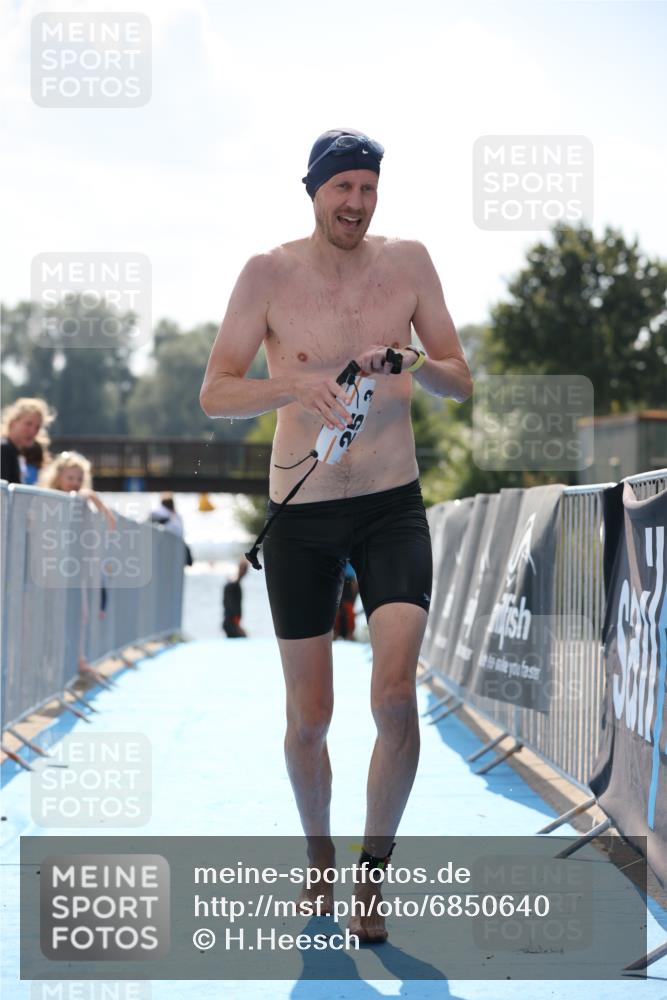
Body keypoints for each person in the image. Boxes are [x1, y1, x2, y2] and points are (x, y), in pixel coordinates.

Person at [200, 128, 472, 942]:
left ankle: (370, 877)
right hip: (302, 512)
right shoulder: (268, 275)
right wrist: (294, 384)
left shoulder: (410, 263)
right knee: (310, 717)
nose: (355, 203)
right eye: (340, 189)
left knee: (393, 697)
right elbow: (215, 393)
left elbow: (461, 381)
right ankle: (317, 854)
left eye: (367, 187)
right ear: (313, 191)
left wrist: (415, 364)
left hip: (391, 503)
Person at [40, 451, 117, 676]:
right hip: (52, 569)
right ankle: (50, 661)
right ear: (58, 477)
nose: (74, 484)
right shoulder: (48, 498)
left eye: (78, 479)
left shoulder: (81, 499)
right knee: (52, 614)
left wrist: (94, 498)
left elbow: (101, 512)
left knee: (81, 612)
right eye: (70, 478)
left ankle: (78, 658)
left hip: (75, 569)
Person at [1, 397, 54, 484]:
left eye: (37, 427)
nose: (33, 431)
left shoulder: (14, 452)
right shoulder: (4, 450)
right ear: (13, 423)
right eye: (28, 424)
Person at [222, 558, 249, 638]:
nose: (245, 572)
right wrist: (237, 626)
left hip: (232, 622)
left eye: (246, 569)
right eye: (244, 569)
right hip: (231, 623)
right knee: (243, 637)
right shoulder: (233, 585)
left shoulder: (235, 584)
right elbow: (231, 607)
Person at [333, 560, 358, 640]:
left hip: (348, 581)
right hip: (337, 576)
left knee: (348, 608)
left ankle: (349, 634)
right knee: (335, 609)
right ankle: (335, 632)